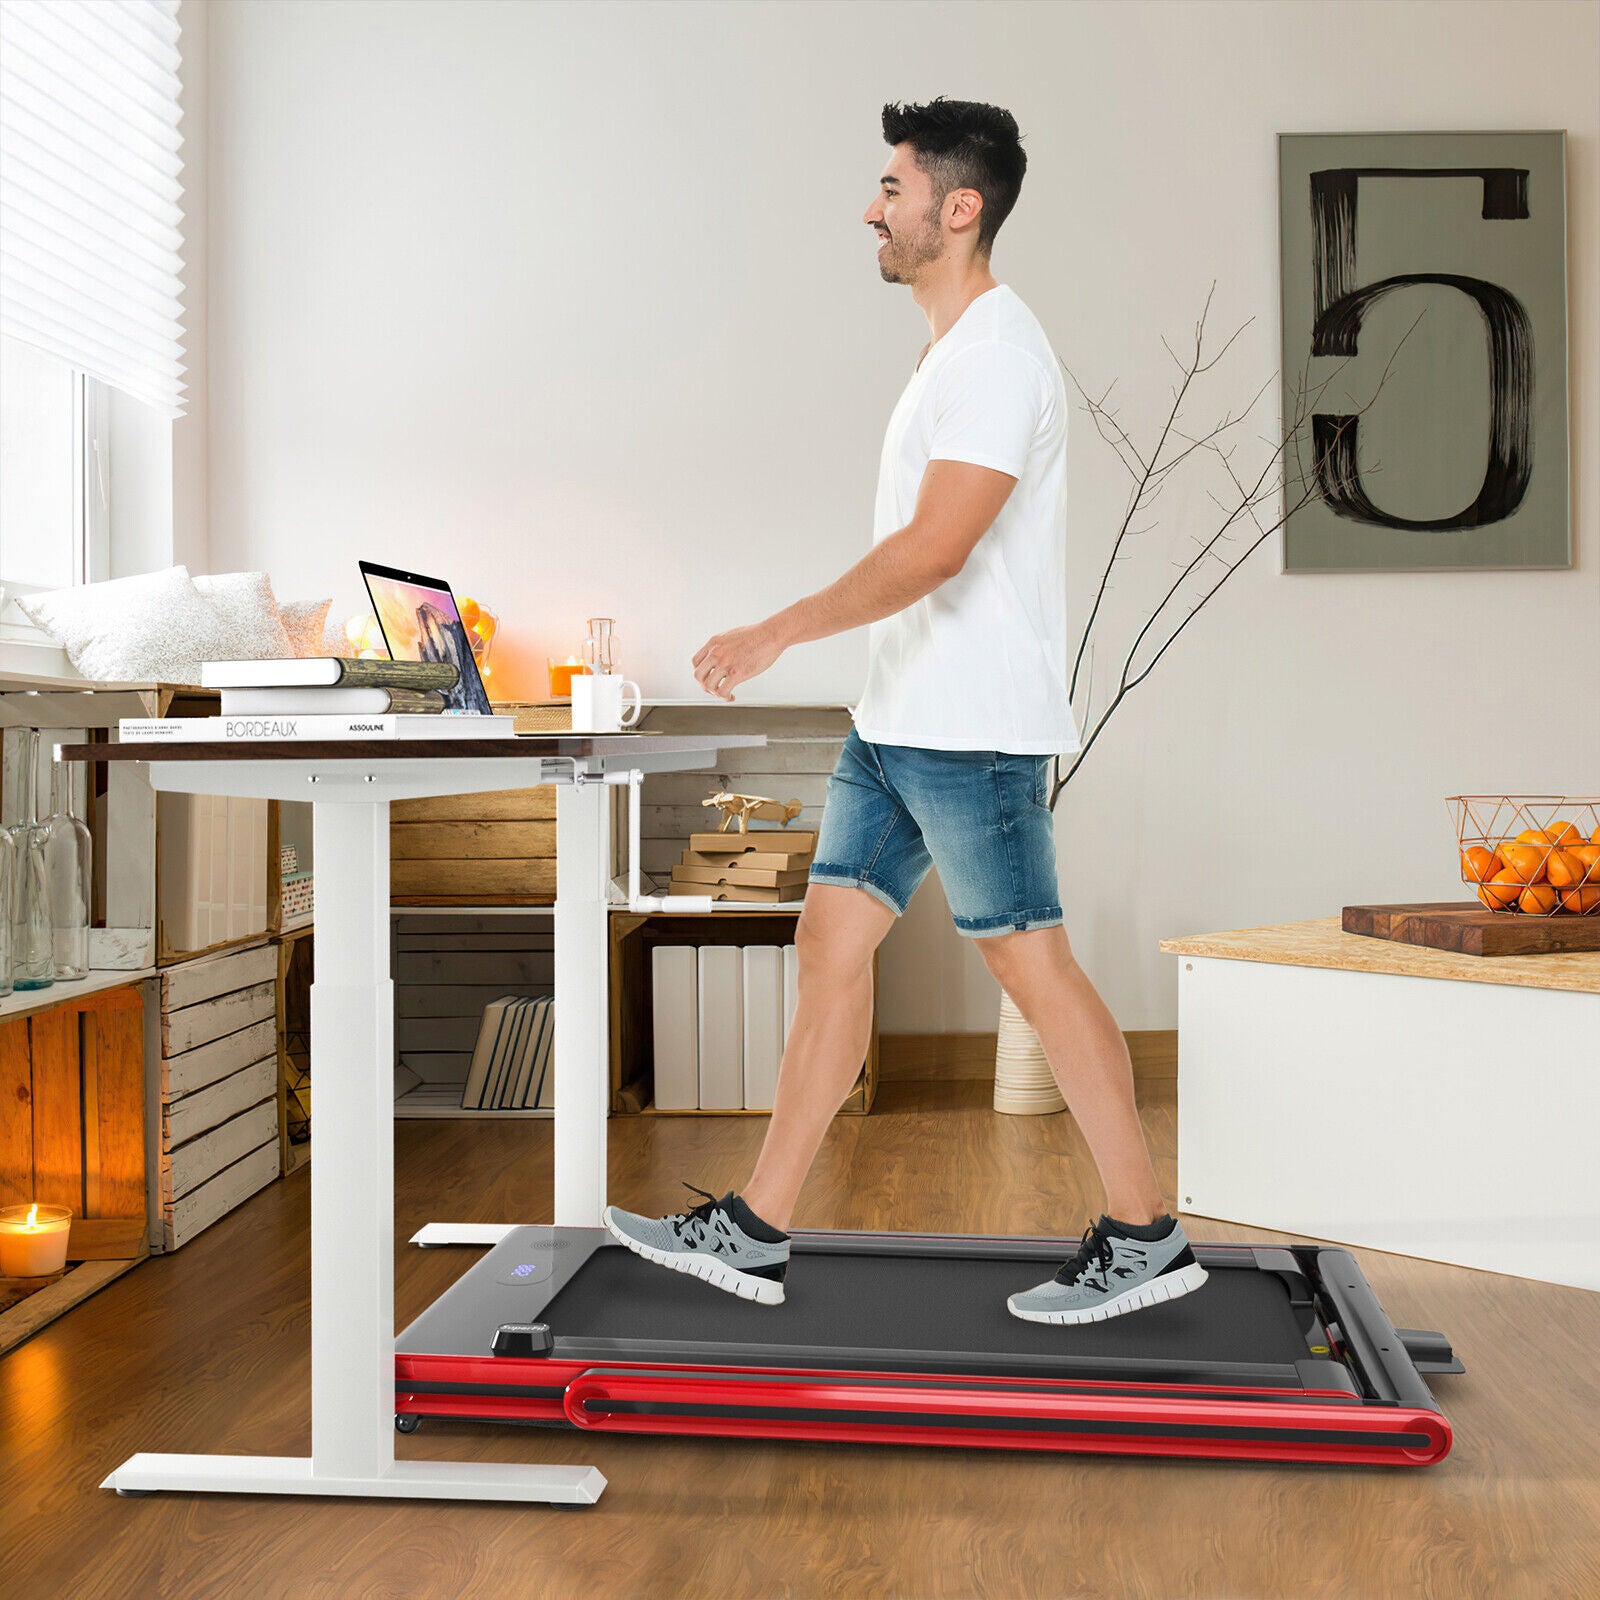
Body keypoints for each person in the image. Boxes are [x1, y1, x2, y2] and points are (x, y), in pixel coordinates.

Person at [605, 99, 1205, 1326]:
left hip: (971, 727)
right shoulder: (949, 349)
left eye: (891, 188)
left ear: (958, 207)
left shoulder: (998, 358)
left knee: (1030, 965)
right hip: (897, 721)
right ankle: (758, 1229)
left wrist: (778, 630)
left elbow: (935, 550)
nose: (871, 209)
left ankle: (1147, 1235)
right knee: (828, 945)